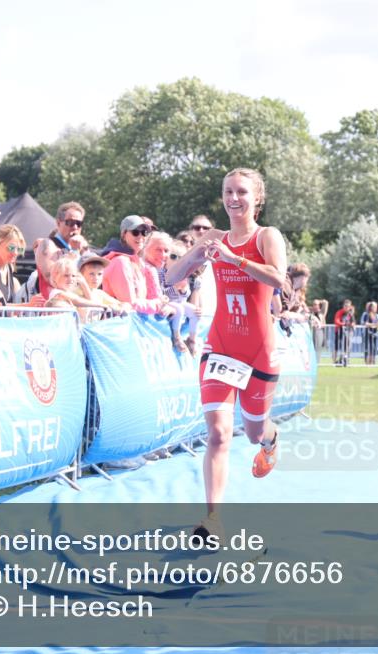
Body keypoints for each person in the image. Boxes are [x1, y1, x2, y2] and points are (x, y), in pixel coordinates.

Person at [165, 168, 287, 539]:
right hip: (220, 346)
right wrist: (195, 256)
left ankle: (271, 439)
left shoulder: (268, 236)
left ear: (256, 198)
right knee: (218, 434)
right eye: (228, 192)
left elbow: (279, 279)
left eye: (242, 192)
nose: (234, 199)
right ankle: (213, 519)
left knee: (251, 433)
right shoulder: (214, 237)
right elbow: (171, 279)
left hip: (258, 353)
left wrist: (234, 259)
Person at [103, 215, 172, 316]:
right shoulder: (120, 262)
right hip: (118, 326)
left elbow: (141, 301)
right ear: (123, 234)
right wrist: (159, 304)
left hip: (132, 326)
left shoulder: (137, 263)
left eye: (144, 232)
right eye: (135, 232)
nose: (140, 236)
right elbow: (130, 304)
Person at [34, 202, 90, 301]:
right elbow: (51, 278)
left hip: (79, 304)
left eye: (79, 223)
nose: (75, 227)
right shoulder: (48, 245)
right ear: (58, 223)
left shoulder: (82, 248)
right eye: (70, 222)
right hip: (55, 305)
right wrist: (74, 252)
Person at [0, 225, 25, 305]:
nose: (16, 253)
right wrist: (28, 306)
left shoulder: (8, 268)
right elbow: (0, 305)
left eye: (19, 249)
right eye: (11, 248)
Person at [359, 301, 378, 365]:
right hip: (367, 333)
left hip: (375, 334)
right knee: (367, 348)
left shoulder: (377, 315)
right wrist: (373, 324)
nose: (376, 308)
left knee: (374, 348)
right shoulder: (366, 314)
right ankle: (367, 362)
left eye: (376, 306)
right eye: (375, 307)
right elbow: (364, 323)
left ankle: (373, 362)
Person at [332, 299, 353, 364]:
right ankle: (334, 361)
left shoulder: (350, 313)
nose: (347, 307)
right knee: (336, 347)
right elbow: (336, 321)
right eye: (345, 306)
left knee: (346, 347)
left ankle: (344, 360)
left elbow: (353, 321)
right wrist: (344, 324)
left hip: (347, 332)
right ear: (343, 306)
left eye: (348, 306)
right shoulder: (339, 312)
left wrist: (352, 324)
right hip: (338, 332)